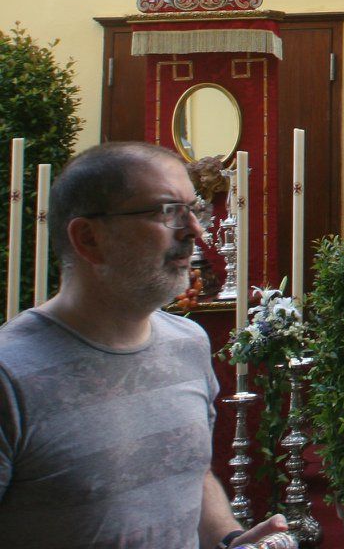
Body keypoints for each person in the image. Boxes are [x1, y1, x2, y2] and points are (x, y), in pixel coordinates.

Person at [0, 141, 288, 547]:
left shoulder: (188, 344)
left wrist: (230, 539)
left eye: (195, 209)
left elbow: (192, 473)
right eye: (168, 211)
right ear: (89, 238)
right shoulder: (10, 375)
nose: (196, 231)